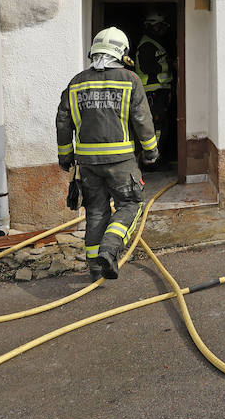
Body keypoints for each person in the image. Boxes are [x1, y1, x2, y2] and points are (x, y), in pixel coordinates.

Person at [57, 27, 159, 280]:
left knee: (96, 211)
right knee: (130, 204)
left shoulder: (76, 82)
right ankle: (110, 249)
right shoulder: (130, 79)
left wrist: (65, 157)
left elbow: (62, 122)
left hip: (87, 163)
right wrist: (151, 151)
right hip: (122, 161)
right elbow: (142, 119)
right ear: (122, 52)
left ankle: (94, 266)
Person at [134, 11, 174, 164]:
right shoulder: (146, 45)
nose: (162, 29)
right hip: (152, 92)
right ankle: (152, 159)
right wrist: (171, 64)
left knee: (162, 125)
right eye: (159, 26)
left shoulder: (155, 42)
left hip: (160, 91)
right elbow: (147, 67)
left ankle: (156, 156)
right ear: (149, 26)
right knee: (155, 126)